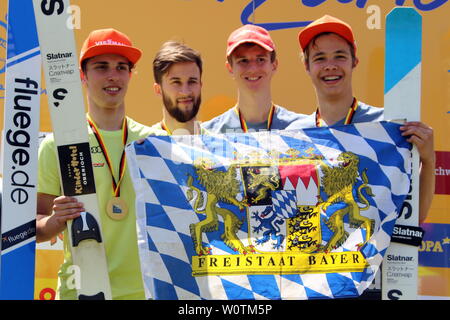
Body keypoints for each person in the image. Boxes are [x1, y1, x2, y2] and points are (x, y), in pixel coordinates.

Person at [36, 28, 164, 300]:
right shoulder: (57, 144)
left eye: (121, 67)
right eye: (101, 67)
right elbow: (33, 227)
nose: (112, 76)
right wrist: (56, 221)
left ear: (131, 75)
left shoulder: (153, 142)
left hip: (147, 292)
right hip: (82, 292)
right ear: (83, 75)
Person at [286, 15, 435, 224]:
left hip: (376, 256)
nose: (330, 66)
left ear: (354, 61)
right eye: (320, 58)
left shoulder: (387, 127)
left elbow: (415, 216)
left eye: (339, 56)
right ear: (307, 66)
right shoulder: (294, 135)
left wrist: (428, 160)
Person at [202, 24, 307, 133]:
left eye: (260, 59)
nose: (252, 69)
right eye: (243, 61)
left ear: (274, 65)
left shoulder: (301, 128)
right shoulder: (210, 133)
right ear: (230, 68)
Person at [150, 41, 203, 135]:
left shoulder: (220, 145)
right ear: (158, 90)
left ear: (200, 85)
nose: (185, 92)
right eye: (176, 82)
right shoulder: (145, 146)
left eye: (192, 81)